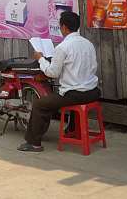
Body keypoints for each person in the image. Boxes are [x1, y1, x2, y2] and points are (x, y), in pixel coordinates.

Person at [17, 11, 100, 152]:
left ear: (64, 27)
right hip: (93, 92)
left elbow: (52, 73)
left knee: (40, 104)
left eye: (61, 26)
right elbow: (91, 67)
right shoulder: (88, 44)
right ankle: (72, 130)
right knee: (68, 93)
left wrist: (40, 58)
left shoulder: (63, 47)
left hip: (75, 95)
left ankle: (33, 143)